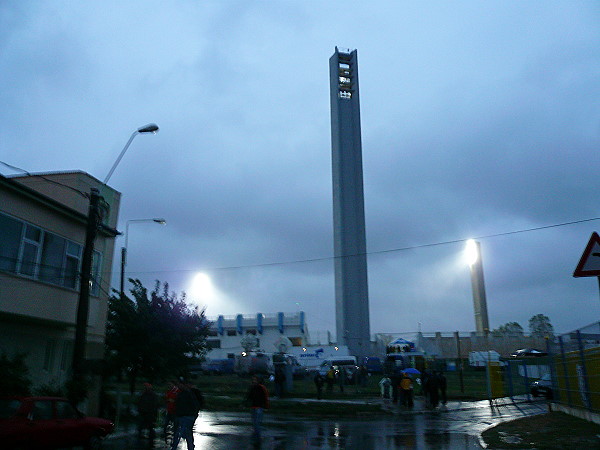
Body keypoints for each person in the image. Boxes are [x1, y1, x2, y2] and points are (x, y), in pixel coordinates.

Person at [170, 380, 200, 450]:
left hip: (185, 415)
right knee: (186, 433)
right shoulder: (187, 393)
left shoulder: (185, 394)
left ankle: (176, 447)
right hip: (185, 415)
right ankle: (190, 447)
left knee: (180, 433)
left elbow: (179, 404)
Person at [246, 375, 269, 441]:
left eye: (255, 380)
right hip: (253, 406)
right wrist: (245, 403)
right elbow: (249, 396)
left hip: (259, 406)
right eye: (253, 380)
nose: (254, 381)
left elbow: (265, 397)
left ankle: (257, 436)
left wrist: (266, 406)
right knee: (254, 422)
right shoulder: (252, 387)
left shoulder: (262, 387)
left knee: (257, 422)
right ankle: (256, 435)